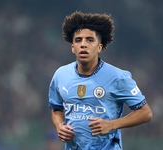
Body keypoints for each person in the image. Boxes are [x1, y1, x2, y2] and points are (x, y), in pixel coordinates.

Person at [48, 11, 153, 150]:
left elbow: (146, 113)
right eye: (78, 40)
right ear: (73, 48)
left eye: (90, 40)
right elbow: (56, 108)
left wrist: (111, 125)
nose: (83, 44)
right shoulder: (60, 75)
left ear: (100, 47)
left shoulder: (118, 77)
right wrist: (60, 126)